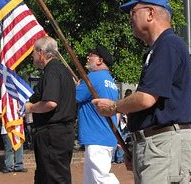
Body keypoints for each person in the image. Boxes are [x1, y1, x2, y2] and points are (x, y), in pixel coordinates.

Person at [92, 0, 191, 184]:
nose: (130, 19)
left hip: (164, 145)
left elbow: (146, 97)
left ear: (150, 13)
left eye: (133, 12)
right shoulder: (158, 48)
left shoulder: (168, 45)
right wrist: (138, 146)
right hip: (157, 145)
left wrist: (113, 107)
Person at [24, 36, 76, 184]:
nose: (32, 56)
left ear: (41, 52)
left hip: (53, 135)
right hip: (60, 133)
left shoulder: (52, 70)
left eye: (33, 52)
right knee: (46, 177)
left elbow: (51, 103)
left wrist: (31, 107)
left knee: (54, 177)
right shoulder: (63, 71)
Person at [76, 45, 119, 184]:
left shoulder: (93, 77)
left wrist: (77, 86)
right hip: (107, 135)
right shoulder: (111, 81)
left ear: (100, 60)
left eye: (91, 55)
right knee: (91, 180)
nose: (87, 57)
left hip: (96, 136)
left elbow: (74, 97)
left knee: (100, 178)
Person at [0, 100, 28, 173]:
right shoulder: (2, 101)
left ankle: (19, 166)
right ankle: (8, 166)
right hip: (7, 128)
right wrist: (7, 117)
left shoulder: (19, 100)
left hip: (18, 128)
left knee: (19, 147)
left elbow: (24, 113)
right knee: (8, 148)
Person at [114, 89, 132, 164]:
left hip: (123, 123)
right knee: (121, 141)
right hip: (123, 123)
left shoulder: (123, 101)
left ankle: (117, 158)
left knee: (119, 141)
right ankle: (119, 159)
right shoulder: (128, 102)